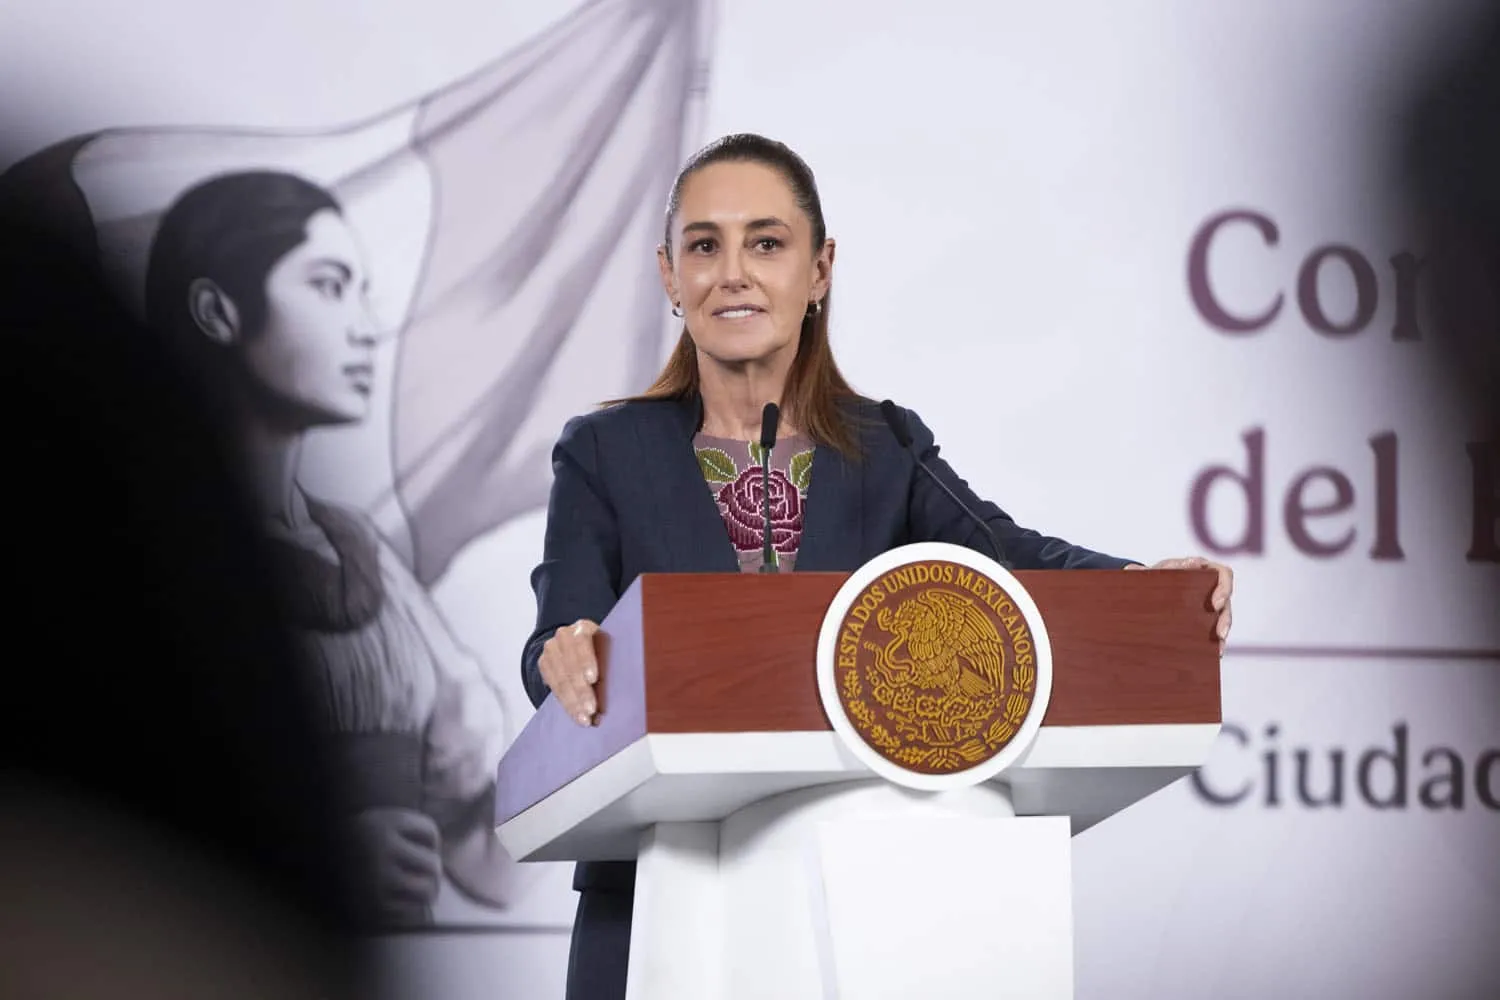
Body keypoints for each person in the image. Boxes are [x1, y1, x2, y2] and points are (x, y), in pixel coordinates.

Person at [519, 132, 1236, 1000]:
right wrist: (565, 651)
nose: (733, 273)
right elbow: (556, 642)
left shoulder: (885, 444)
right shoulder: (603, 450)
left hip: (856, 899)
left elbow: (1006, 557)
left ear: (819, 269)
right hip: (652, 896)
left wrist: (1137, 587)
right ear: (671, 276)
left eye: (766, 243)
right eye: (704, 246)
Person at [143, 170, 519, 926]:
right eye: (328, 286)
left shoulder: (359, 549)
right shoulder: (148, 544)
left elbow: (488, 864)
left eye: (363, 291)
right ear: (218, 312)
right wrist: (309, 853)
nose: (366, 326)